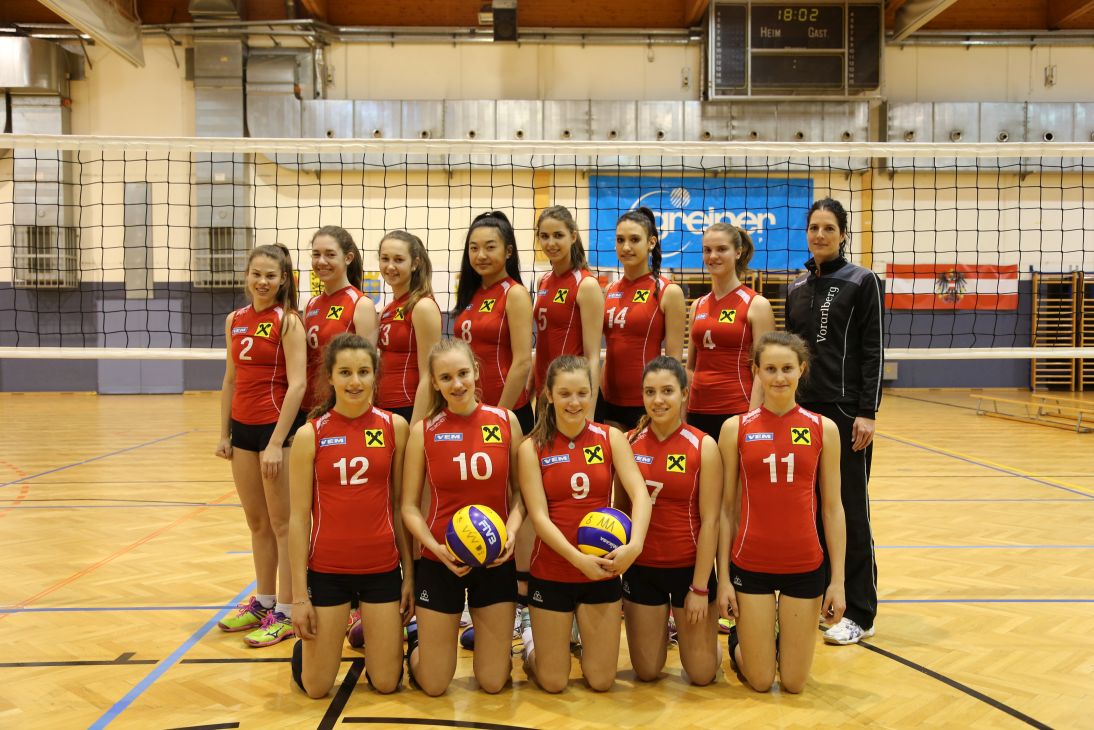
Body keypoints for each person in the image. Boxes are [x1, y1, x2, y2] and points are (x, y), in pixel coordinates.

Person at [716, 331, 847, 693]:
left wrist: (837, 581)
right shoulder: (735, 428)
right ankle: (743, 641)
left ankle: (772, 641)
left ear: (802, 369)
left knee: (793, 682)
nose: (779, 377)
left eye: (787, 368)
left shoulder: (823, 429)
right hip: (750, 565)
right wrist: (723, 579)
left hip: (805, 567)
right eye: (770, 369)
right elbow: (726, 510)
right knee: (760, 681)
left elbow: (833, 509)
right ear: (756, 371)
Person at [517, 355, 652, 693]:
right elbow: (538, 517)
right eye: (564, 394)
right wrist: (578, 560)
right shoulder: (532, 447)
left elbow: (639, 493)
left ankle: (575, 639)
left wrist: (634, 546)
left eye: (582, 393)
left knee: (602, 681)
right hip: (552, 570)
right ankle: (531, 640)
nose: (574, 402)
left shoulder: (611, 438)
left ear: (593, 393)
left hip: (602, 570)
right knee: (553, 682)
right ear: (549, 395)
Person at [287, 334, 412, 697]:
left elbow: (400, 506)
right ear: (330, 376)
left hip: (381, 569)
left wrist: (409, 574)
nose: (355, 381)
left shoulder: (394, 427)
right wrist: (299, 596)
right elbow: (298, 519)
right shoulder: (310, 434)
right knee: (316, 688)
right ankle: (309, 653)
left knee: (387, 683)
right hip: (328, 572)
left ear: (375, 375)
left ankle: (378, 639)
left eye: (363, 372)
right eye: (345, 372)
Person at [784, 197, 884, 646]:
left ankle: (861, 612)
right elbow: (791, 356)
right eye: (814, 227)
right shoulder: (797, 287)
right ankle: (826, 602)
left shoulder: (863, 281)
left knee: (849, 510)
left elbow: (873, 350)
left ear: (843, 234)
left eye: (829, 228)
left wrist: (867, 412)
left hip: (845, 414)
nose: (820, 235)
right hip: (804, 413)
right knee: (811, 511)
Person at [400, 338, 525, 695]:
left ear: (476, 372)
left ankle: (494, 646)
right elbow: (409, 507)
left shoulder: (505, 421)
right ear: (434, 383)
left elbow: (521, 494)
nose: (457, 384)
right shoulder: (424, 431)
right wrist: (434, 548)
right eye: (446, 377)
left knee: (493, 682)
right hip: (441, 559)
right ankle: (418, 642)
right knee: (434, 684)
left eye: (463, 373)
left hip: (496, 558)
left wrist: (511, 532)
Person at [215, 243, 306, 647]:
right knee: (257, 523)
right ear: (246, 276)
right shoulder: (234, 320)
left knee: (283, 524)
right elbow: (230, 379)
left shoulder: (288, 322)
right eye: (257, 274)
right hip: (243, 432)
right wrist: (224, 434)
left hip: (276, 433)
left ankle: (285, 611)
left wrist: (275, 442)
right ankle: (263, 601)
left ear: (283, 280)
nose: (263, 282)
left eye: (271, 276)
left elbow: (298, 384)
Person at [622, 356, 721, 686]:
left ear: (684, 393)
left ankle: (703, 640)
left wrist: (700, 588)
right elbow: (619, 511)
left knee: (702, 674)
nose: (658, 400)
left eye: (667, 391)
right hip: (642, 569)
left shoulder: (703, 445)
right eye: (650, 392)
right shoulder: (628, 442)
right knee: (647, 672)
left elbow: (711, 522)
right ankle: (660, 630)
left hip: (688, 569)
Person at [598, 208, 686, 431]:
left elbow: (674, 361)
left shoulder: (668, 291)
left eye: (634, 239)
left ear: (651, 242)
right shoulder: (610, 290)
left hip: (648, 402)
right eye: (620, 240)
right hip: (609, 400)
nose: (626, 247)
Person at [686, 224, 775, 438]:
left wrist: (752, 418)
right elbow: (690, 367)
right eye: (707, 250)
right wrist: (682, 413)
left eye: (721, 249)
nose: (712, 256)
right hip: (696, 411)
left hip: (736, 410)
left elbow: (764, 369)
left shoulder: (756, 304)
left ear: (738, 252)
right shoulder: (697, 305)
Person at [452, 211, 534, 435]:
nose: (481, 255)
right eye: (474, 248)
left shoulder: (515, 293)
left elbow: (522, 362)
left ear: (508, 251)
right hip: (470, 408)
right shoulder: (470, 292)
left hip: (507, 412)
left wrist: (498, 415)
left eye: (490, 247)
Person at [531, 206, 604, 415]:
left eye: (558, 235)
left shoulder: (586, 284)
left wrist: (588, 413)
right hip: (546, 394)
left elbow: (592, 357)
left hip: (574, 398)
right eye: (544, 236)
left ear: (573, 236)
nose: (550, 243)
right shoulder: (543, 281)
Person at [302, 225, 379, 412]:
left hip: (342, 407)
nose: (321, 261)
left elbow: (369, 367)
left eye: (330, 254)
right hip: (306, 406)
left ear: (348, 258)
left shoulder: (361, 304)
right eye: (316, 254)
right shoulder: (310, 305)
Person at [376, 230, 442, 425]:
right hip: (383, 408)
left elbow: (429, 374)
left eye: (398, 260)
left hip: (409, 407)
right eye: (385, 259)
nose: (390, 266)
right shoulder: (387, 309)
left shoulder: (423, 306)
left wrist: (415, 427)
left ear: (415, 263)